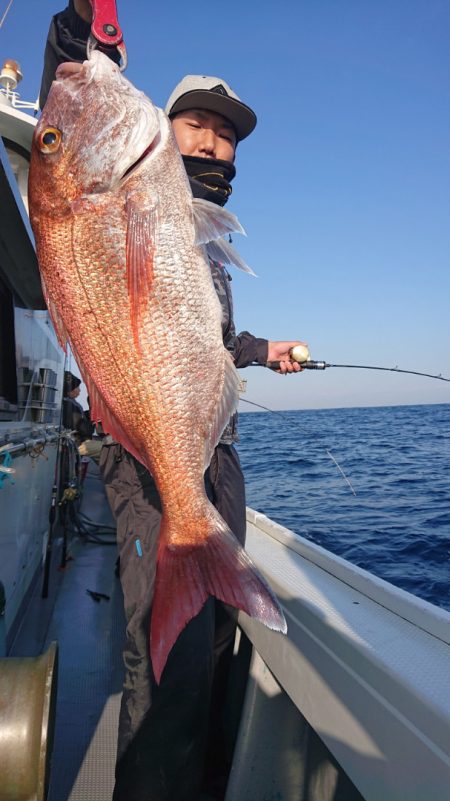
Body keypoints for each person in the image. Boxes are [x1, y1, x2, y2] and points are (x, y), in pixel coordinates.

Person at [40, 4, 307, 800]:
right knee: (165, 668)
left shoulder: (192, 227)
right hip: (148, 464)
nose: (211, 142)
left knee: (214, 642)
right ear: (162, 123)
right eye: (195, 124)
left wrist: (260, 349)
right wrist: (81, 25)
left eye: (226, 135)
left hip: (212, 461)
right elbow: (68, 98)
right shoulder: (128, 188)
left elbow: (193, 331)